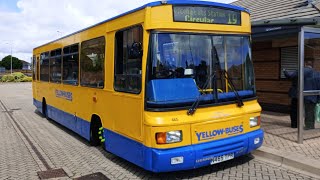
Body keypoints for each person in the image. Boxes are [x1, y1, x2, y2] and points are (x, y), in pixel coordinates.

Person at [283, 61, 317, 130]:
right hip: (310, 95)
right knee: (310, 111)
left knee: (294, 109)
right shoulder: (316, 73)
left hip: (297, 94)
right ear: (312, 65)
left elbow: (290, 75)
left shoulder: (301, 71)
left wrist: (284, 71)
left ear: (305, 64)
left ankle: (294, 125)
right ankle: (310, 126)